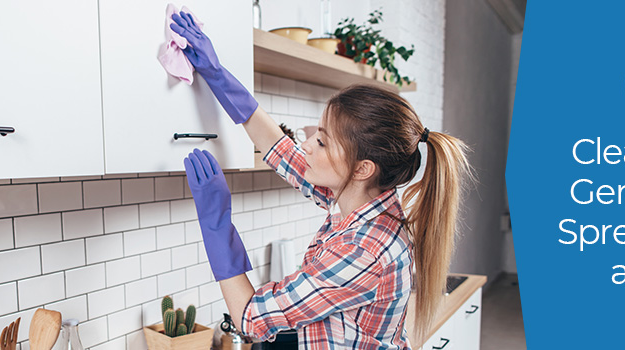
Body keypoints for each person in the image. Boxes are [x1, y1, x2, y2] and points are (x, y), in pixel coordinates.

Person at [170, 11, 474, 349]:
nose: (308, 146)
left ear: (363, 168)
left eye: (322, 141)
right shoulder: (360, 201)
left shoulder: (363, 249)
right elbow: (282, 150)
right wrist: (217, 73)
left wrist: (216, 225)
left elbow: (250, 320)